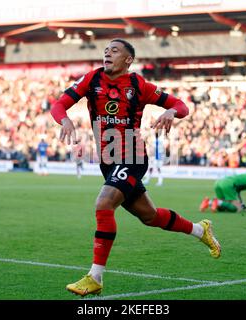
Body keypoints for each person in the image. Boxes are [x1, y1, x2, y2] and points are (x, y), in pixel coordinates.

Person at [51, 38, 221, 297]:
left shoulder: (138, 85)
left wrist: (170, 113)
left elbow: (181, 106)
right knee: (150, 216)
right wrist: (64, 120)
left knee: (103, 204)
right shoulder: (91, 79)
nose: (107, 54)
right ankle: (200, 230)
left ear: (128, 60)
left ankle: (95, 276)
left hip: (132, 156)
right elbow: (58, 105)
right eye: (105, 51)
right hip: (108, 162)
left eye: (114, 51)